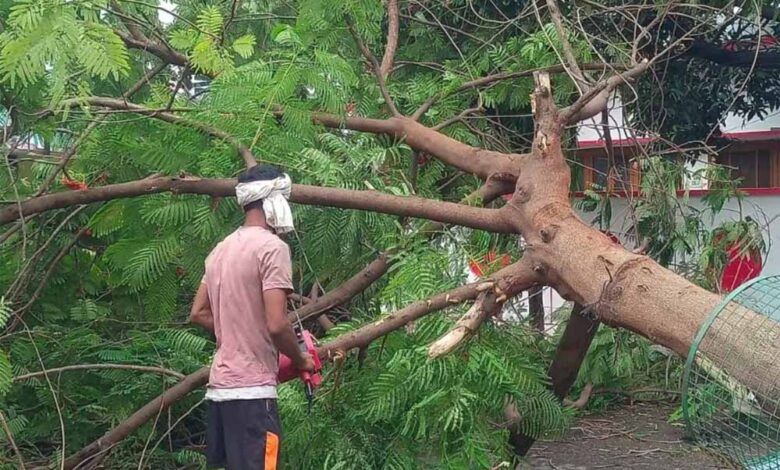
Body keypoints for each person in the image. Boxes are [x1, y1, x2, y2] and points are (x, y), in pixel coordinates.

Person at [190, 164, 315, 470]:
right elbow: (277, 325)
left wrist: (242, 331)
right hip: (253, 396)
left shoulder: (219, 250)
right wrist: (301, 359)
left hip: (220, 392)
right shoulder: (272, 248)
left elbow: (198, 313)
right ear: (274, 201)